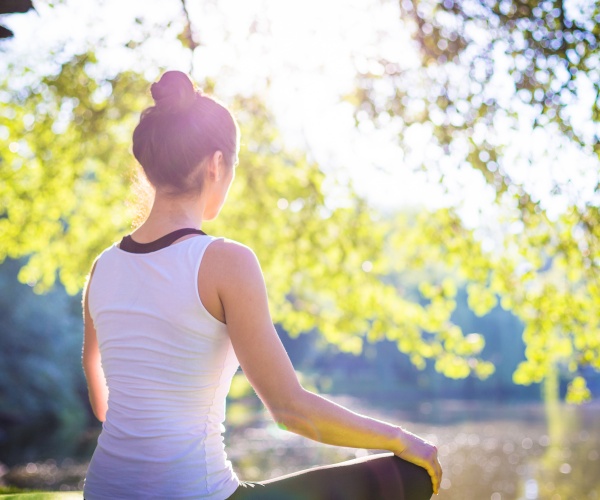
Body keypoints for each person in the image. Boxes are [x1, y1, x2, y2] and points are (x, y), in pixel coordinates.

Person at [82, 70, 442, 500]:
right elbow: (291, 411)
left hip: (102, 492)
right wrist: (402, 439)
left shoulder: (103, 267)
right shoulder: (224, 261)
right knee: (410, 474)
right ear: (217, 164)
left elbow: (102, 398)